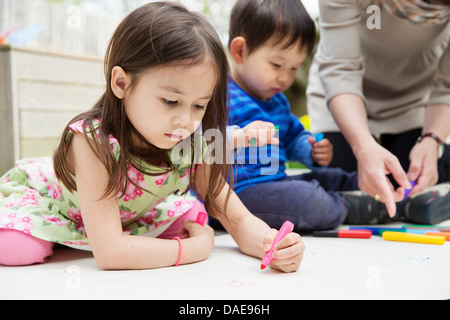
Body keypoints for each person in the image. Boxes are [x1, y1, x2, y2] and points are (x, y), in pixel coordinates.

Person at [0, 1, 304, 272]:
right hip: (61, 206)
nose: (186, 120)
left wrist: (271, 243)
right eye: (170, 101)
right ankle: (63, 235)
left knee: (192, 217)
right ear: (120, 83)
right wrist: (193, 249)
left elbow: (236, 218)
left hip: (125, 218)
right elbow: (110, 254)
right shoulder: (92, 143)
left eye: (199, 105)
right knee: (15, 248)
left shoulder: (191, 143)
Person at [211, 0, 398, 234]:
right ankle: (352, 206)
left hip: (274, 184)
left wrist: (309, 149)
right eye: (277, 64)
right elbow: (200, 146)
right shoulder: (218, 96)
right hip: (235, 195)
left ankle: (380, 191)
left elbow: (292, 137)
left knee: (331, 176)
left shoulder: (277, 100)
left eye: (294, 68)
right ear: (240, 51)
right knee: (306, 200)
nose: (285, 78)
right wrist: (239, 136)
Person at [306, 0, 450, 218]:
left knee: (404, 193)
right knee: (349, 195)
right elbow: (340, 69)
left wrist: (432, 140)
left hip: (413, 100)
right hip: (340, 97)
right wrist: (362, 145)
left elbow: (446, 86)